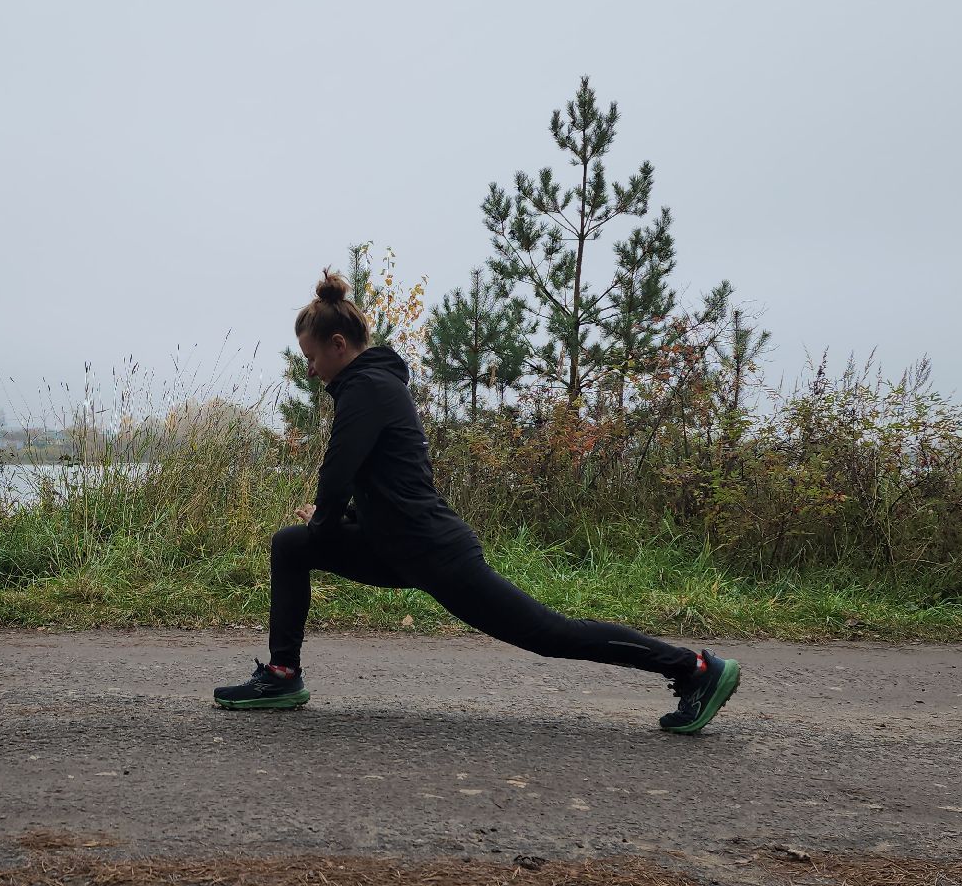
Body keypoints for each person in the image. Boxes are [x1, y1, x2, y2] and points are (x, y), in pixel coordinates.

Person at [213, 269, 742, 734]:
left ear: (336, 344)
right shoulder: (371, 387)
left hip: (432, 552)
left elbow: (338, 473)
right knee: (291, 544)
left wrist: (327, 519)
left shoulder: (367, 388)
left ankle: (694, 668)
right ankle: (283, 676)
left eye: (309, 357)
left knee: (548, 634)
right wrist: (334, 522)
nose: (309, 370)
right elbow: (385, 485)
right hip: (392, 545)